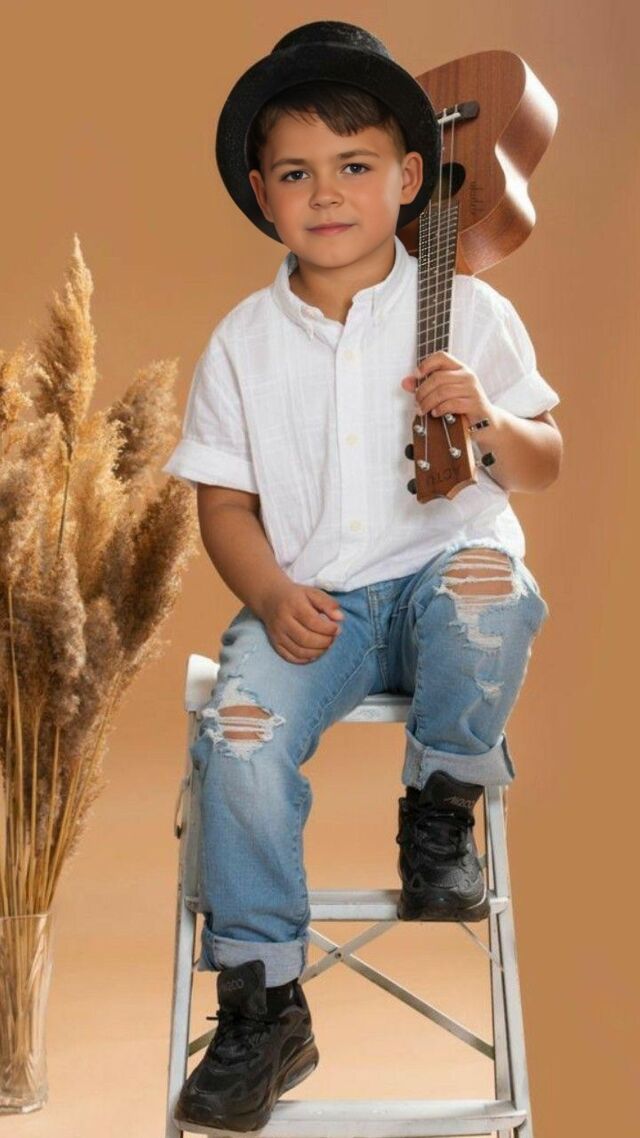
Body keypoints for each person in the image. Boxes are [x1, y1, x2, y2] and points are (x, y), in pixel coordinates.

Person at [162, 19, 563, 1132]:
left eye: (353, 166)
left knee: (488, 592)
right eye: (296, 173)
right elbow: (223, 504)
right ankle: (263, 1003)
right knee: (240, 736)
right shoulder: (242, 342)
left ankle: (439, 808)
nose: (327, 193)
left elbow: (545, 459)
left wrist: (485, 420)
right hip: (316, 606)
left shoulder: (466, 307)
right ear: (261, 194)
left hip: (442, 580)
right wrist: (267, 594)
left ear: (409, 179)